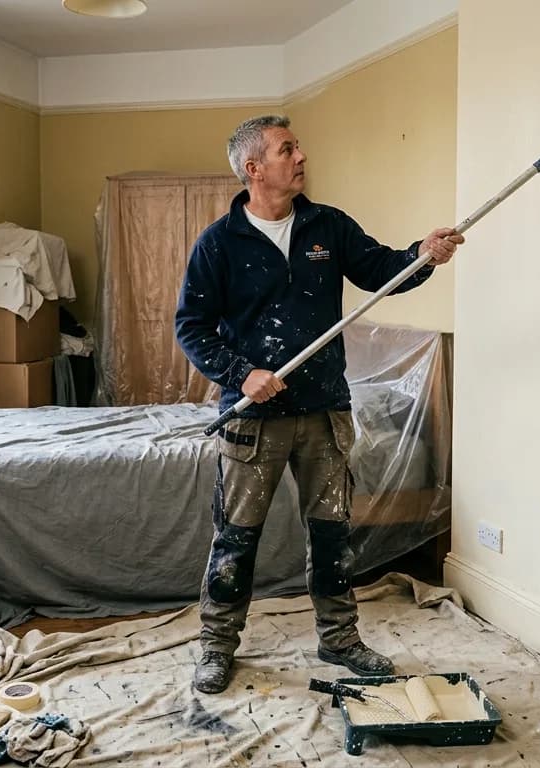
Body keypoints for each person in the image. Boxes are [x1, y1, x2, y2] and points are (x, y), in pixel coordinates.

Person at [174, 115, 461, 694]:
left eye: (297, 147)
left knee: (332, 534)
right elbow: (192, 327)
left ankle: (340, 639)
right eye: (287, 149)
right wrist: (242, 374)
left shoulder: (327, 226)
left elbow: (382, 270)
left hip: (325, 411)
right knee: (236, 537)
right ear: (254, 169)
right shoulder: (218, 243)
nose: (301, 156)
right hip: (254, 421)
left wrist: (423, 254)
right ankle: (217, 645)